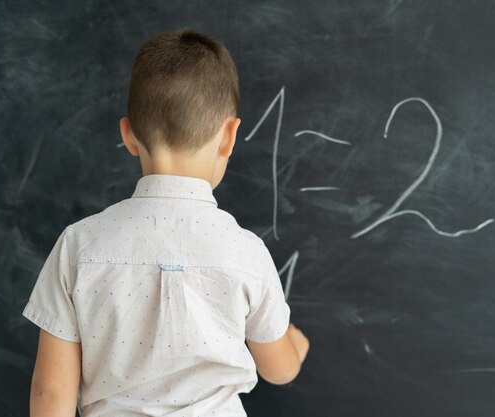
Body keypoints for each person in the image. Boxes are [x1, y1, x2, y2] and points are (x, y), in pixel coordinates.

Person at [21, 28, 309, 417]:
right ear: (229, 136)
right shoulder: (245, 253)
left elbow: (49, 396)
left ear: (129, 136)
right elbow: (280, 369)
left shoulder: (79, 245)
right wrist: (295, 342)